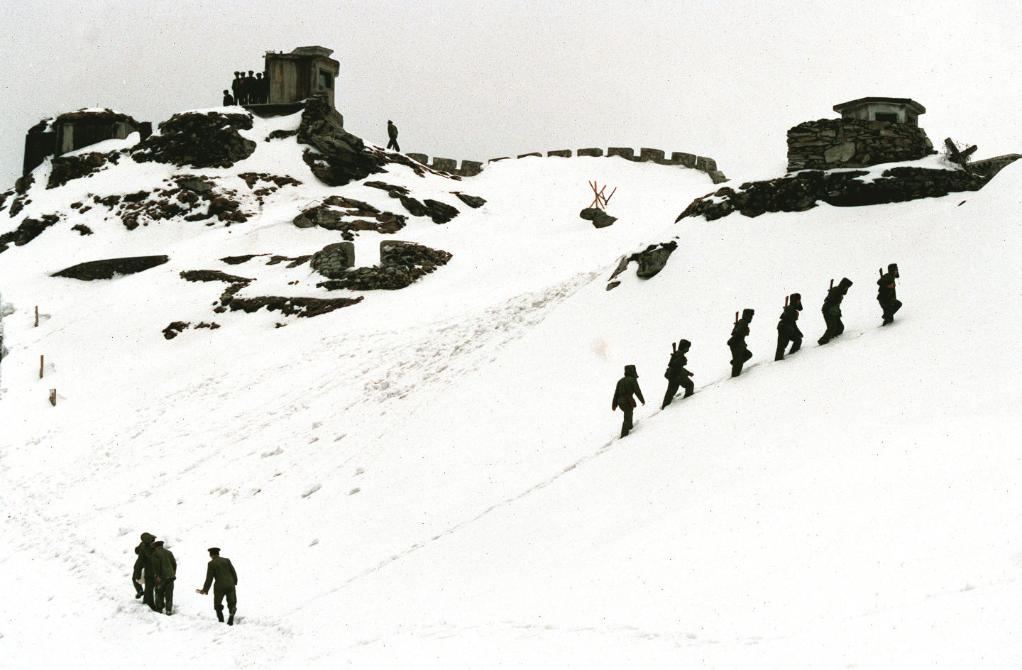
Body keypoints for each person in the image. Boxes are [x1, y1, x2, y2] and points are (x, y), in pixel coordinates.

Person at [197, 547, 239, 625]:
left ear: (211, 555)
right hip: (230, 585)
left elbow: (209, 578)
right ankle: (231, 616)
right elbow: (233, 572)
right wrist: (235, 582)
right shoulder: (227, 560)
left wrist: (205, 590)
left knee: (217, 603)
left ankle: (221, 620)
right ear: (218, 553)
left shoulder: (211, 563)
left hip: (219, 587)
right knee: (232, 602)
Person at [611, 365, 645, 438]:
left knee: (629, 413)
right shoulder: (633, 380)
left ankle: (630, 427)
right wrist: (642, 400)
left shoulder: (620, 381)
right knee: (627, 417)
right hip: (627, 401)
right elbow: (637, 391)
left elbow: (616, 394)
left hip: (620, 401)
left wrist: (614, 405)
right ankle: (624, 436)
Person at [818, 278, 853, 345]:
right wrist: (832, 294)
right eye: (846, 287)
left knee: (840, 328)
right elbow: (828, 300)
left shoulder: (838, 291)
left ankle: (832, 335)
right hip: (828, 311)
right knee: (831, 328)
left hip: (835, 312)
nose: (847, 289)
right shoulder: (836, 291)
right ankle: (822, 341)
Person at [662, 339, 695, 408]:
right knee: (690, 385)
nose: (688, 349)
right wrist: (687, 372)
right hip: (677, 376)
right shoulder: (678, 355)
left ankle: (664, 406)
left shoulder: (678, 354)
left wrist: (688, 373)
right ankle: (688, 401)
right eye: (687, 347)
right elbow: (675, 366)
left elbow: (677, 367)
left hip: (672, 376)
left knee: (670, 393)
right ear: (684, 348)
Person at [150, 540, 177, 616]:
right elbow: (174, 564)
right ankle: (168, 610)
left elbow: (156, 566)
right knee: (169, 594)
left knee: (159, 592)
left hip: (161, 577)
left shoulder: (155, 554)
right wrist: (173, 573)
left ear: (155, 547)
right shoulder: (169, 553)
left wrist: (157, 575)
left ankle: (159, 608)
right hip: (171, 577)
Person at [775, 293, 803, 361]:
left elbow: (792, 323)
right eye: (798, 300)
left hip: (789, 329)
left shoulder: (791, 308)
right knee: (781, 346)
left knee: (798, 339)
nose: (799, 302)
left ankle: (792, 354)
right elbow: (787, 320)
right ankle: (778, 362)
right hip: (784, 329)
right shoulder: (790, 309)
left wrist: (798, 333)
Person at [728, 308, 754, 377]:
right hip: (736, 344)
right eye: (750, 316)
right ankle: (735, 378)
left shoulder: (742, 322)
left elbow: (736, 332)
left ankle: (735, 362)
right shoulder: (743, 323)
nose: (751, 318)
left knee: (748, 354)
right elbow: (736, 333)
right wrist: (744, 330)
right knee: (738, 364)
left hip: (739, 344)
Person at [132, 532, 156, 602]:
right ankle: (145, 598)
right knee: (148, 584)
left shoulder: (143, 545)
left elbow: (137, 551)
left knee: (135, 578)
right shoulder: (151, 546)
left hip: (141, 566)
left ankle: (140, 591)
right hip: (148, 567)